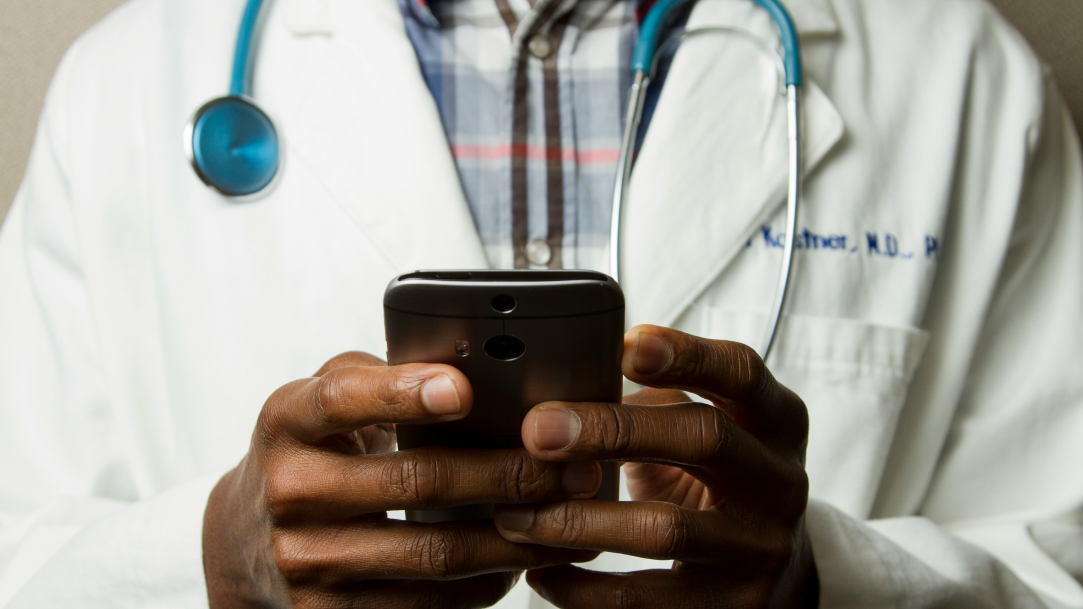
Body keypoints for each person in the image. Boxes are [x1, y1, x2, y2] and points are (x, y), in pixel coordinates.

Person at [0, 0, 1081, 607]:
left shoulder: (965, 78)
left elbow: (1061, 562)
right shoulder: (125, 86)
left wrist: (821, 586)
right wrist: (211, 564)